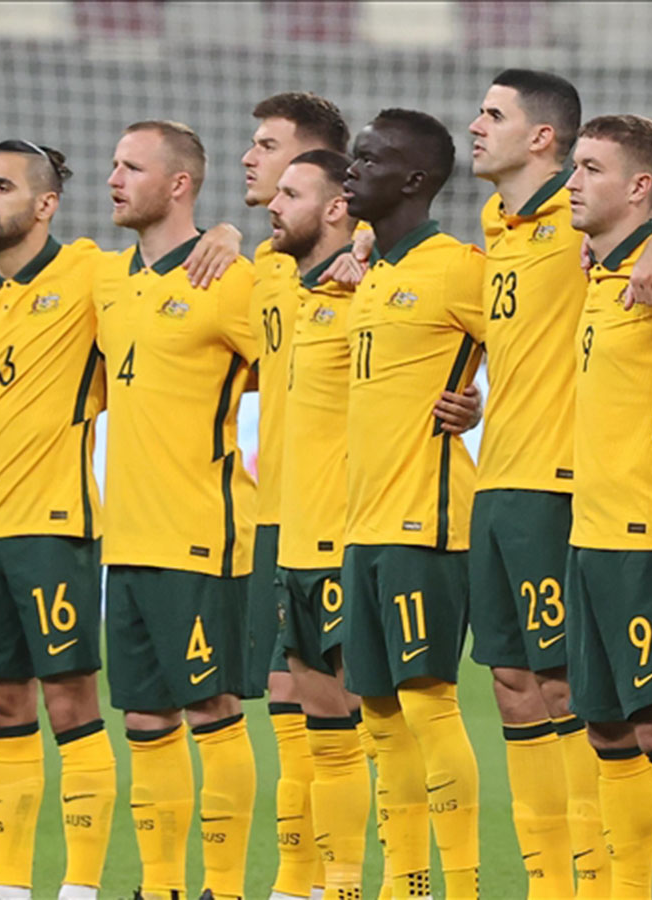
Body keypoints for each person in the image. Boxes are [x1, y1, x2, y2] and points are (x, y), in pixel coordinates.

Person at [0, 139, 240, 900]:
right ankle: (8, 886)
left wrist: (229, 235)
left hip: (58, 526)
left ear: (46, 204)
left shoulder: (93, 274)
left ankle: (80, 885)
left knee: (70, 699)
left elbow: (175, 260)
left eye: (2, 185)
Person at [94, 119, 257, 900]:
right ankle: (160, 887)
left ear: (179, 184)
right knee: (144, 720)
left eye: (132, 167)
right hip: (125, 540)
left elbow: (305, 361)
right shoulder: (106, 281)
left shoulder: (229, 281)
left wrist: (232, 235)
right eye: (114, 165)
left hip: (200, 536)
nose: (114, 179)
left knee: (211, 708)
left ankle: (223, 887)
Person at [465, 67, 609, 898]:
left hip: (560, 481)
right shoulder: (499, 222)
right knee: (513, 687)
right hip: (496, 478)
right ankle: (548, 884)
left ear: (543, 137)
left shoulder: (588, 215)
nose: (476, 126)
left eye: (494, 114)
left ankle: (595, 881)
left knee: (564, 685)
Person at [341, 108, 485, 899]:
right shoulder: (374, 272)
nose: (352, 169)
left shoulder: (457, 268)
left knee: (429, 704)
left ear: (416, 179)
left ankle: (460, 887)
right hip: (363, 523)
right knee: (378, 716)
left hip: (425, 520)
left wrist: (482, 407)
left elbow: (541, 343)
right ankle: (407, 886)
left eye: (370, 159)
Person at [563, 113, 652, 899]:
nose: (573, 183)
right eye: (574, 166)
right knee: (606, 727)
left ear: (642, 186)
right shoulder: (599, 270)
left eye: (591, 169)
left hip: (646, 528)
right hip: (589, 526)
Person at [240, 91, 352, 900]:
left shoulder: (368, 262)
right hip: (275, 510)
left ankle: (352, 878)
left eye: (269, 148)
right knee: (287, 704)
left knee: (351, 712)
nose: (253, 160)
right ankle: (297, 882)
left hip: (344, 512)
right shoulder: (263, 269)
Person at [265, 148, 368, 899]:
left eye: (290, 192)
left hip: (354, 535)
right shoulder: (294, 291)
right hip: (295, 536)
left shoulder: (372, 288)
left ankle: (382, 883)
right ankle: (317, 886)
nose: (272, 203)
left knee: (382, 725)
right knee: (316, 728)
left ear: (337, 208)